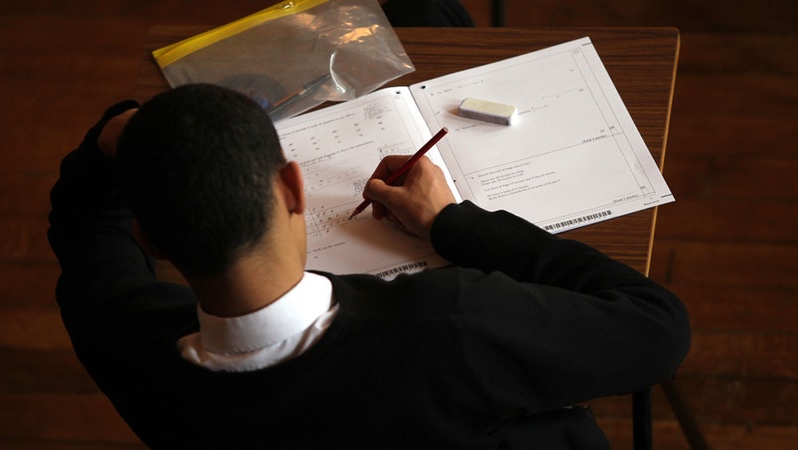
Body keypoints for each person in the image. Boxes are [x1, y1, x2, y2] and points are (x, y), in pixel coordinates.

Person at [49, 84, 690, 449]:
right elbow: (658, 328)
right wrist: (452, 222)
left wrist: (110, 139)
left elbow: (84, 232)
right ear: (294, 188)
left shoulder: (122, 340)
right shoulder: (448, 327)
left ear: (150, 240)